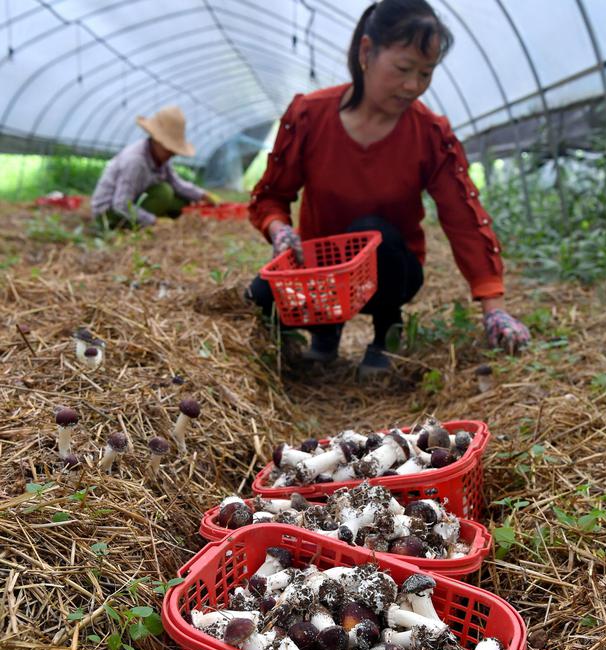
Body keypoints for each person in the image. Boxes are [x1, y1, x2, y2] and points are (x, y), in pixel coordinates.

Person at [246, 0, 531, 378]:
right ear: (367, 52)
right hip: (323, 272)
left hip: (392, 270)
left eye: (426, 73)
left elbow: (462, 215)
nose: (413, 85)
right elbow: (270, 196)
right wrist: (279, 229)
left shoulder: (429, 133)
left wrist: (492, 305)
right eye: (403, 69)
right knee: (259, 298)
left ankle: (386, 332)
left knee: (374, 232)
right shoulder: (309, 116)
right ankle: (323, 331)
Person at [91, 105, 215, 229]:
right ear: (156, 140)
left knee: (181, 201)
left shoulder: (160, 158)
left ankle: (150, 220)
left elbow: (176, 183)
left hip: (131, 202)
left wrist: (203, 195)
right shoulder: (135, 161)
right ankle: (129, 227)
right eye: (169, 148)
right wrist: (154, 221)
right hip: (109, 214)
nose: (173, 154)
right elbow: (121, 204)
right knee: (164, 192)